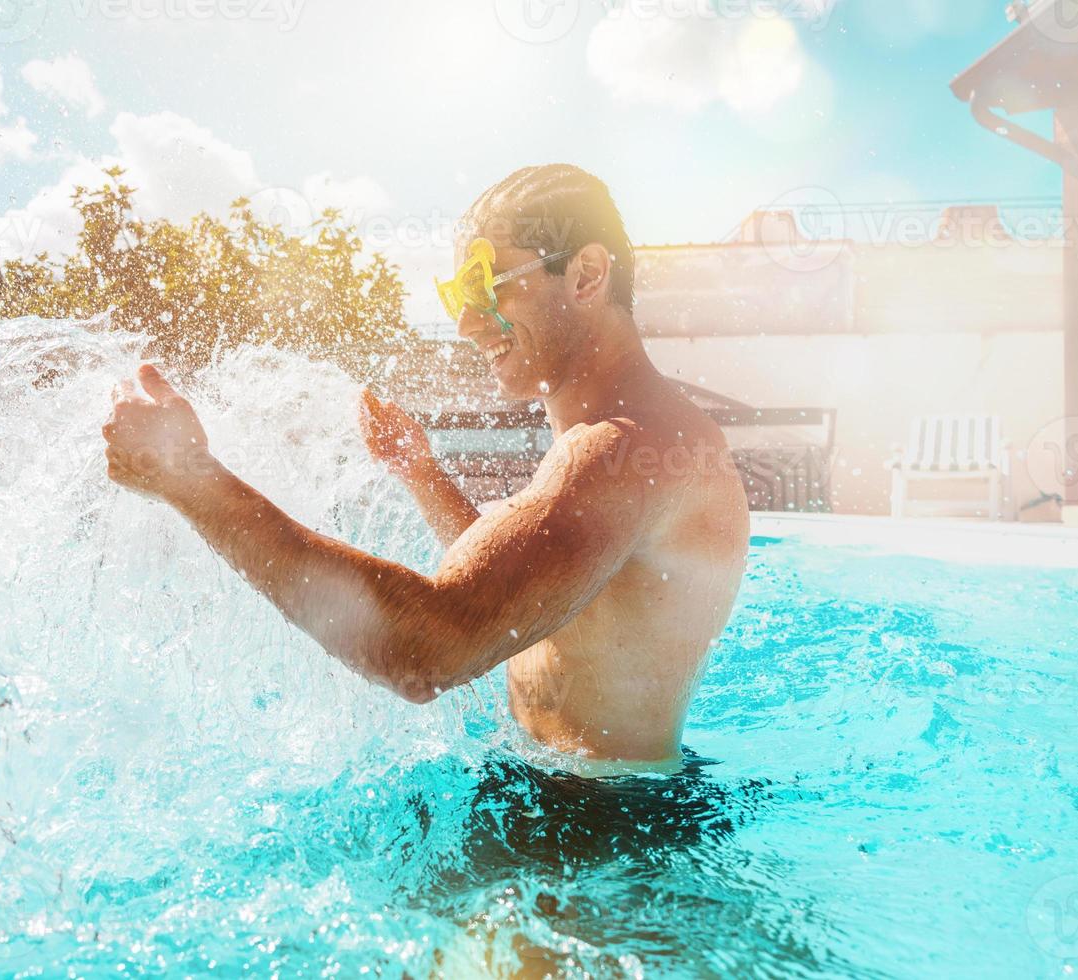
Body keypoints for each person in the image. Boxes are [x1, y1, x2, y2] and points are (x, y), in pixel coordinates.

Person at [102, 164, 749, 765]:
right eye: (454, 295)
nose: (467, 323)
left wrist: (188, 479)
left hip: (596, 841)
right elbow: (520, 593)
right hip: (597, 809)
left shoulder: (616, 451)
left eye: (485, 286)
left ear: (584, 275)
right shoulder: (625, 443)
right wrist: (418, 469)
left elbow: (428, 650)